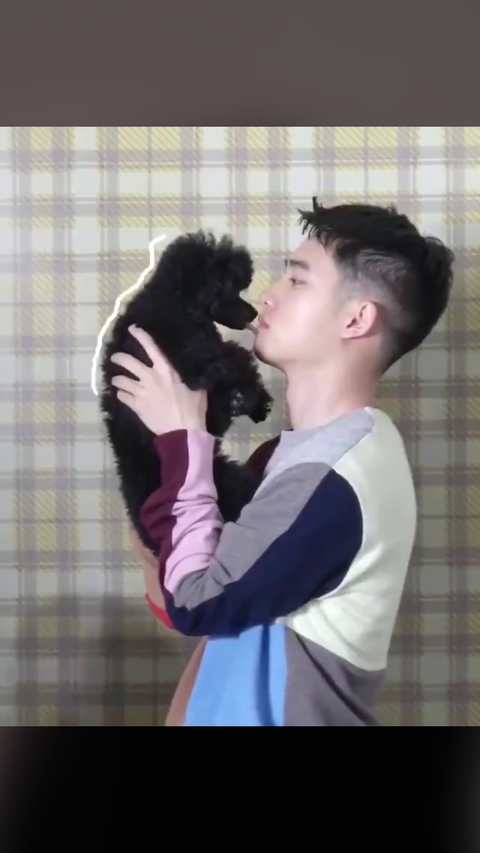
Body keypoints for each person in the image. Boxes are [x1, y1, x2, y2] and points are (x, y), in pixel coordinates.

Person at [114, 199, 454, 727]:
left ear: (357, 318)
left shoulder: (336, 478)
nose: (268, 295)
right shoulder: (293, 456)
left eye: (297, 280)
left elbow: (198, 603)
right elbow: (209, 614)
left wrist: (183, 440)